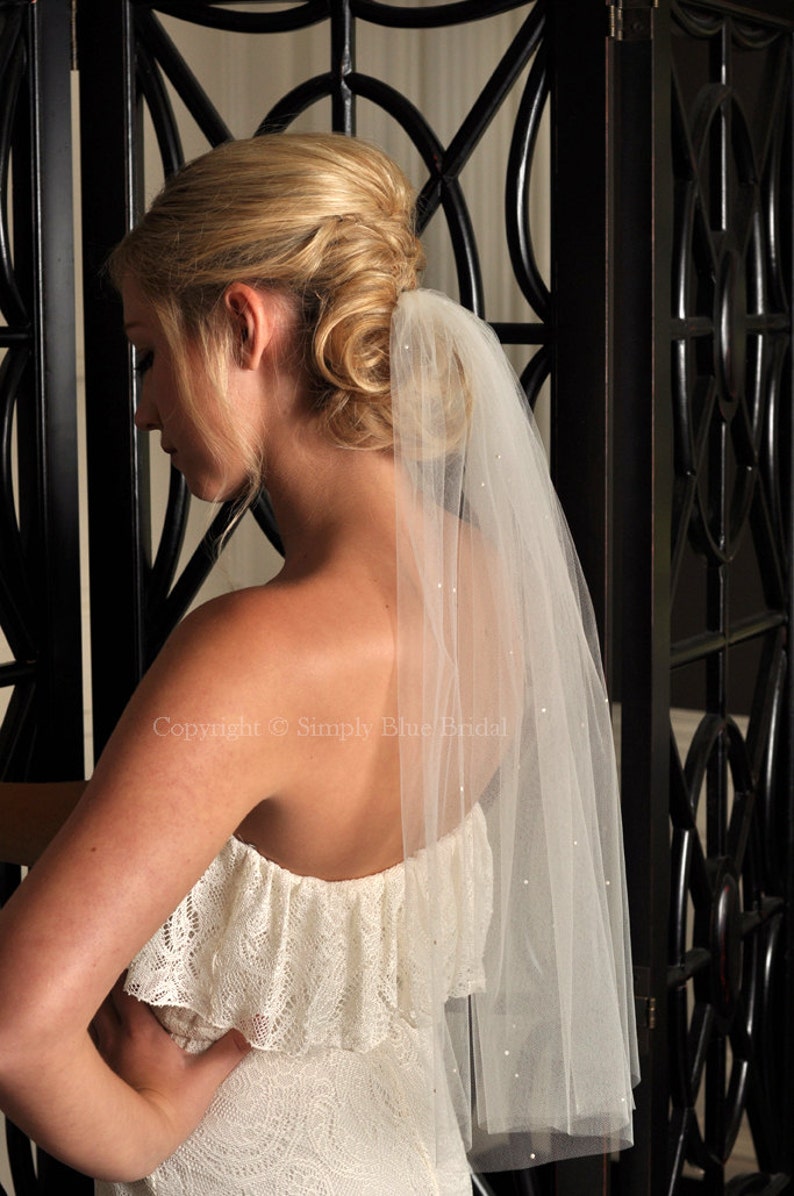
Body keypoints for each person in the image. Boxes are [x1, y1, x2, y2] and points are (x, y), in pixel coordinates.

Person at [0, 133, 638, 1194]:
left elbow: (16, 1029)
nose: (142, 405)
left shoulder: (253, 649)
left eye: (148, 351)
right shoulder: (484, 587)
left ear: (244, 323)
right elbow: (209, 823)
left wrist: (147, 1127)